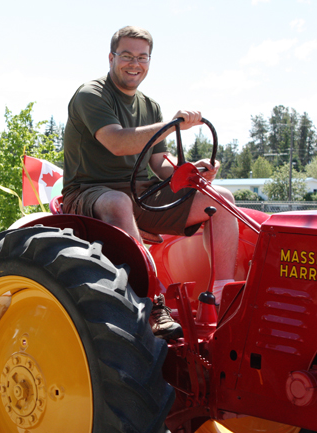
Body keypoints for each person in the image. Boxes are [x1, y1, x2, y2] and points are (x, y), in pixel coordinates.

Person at [62, 26, 238, 340]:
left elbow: (159, 164)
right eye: (127, 55)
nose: (135, 63)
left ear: (149, 61)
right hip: (88, 191)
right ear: (111, 57)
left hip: (138, 192)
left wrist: (191, 171)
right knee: (119, 203)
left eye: (142, 57)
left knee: (221, 199)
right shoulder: (91, 94)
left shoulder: (150, 106)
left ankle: (223, 298)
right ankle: (152, 303)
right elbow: (116, 142)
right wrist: (172, 126)